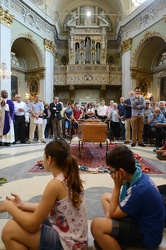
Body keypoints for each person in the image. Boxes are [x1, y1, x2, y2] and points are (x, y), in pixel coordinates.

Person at [0, 140, 88, 249]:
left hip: (69, 244)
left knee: (9, 231)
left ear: (49, 159)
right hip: (75, 237)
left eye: (43, 156)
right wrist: (22, 205)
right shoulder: (69, 175)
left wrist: (8, 207)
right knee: (24, 214)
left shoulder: (55, 184)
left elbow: (32, 226)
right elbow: (51, 207)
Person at [91, 145, 165, 250]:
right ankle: (111, 233)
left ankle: (111, 234)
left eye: (111, 171)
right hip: (140, 220)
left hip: (147, 234)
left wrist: (117, 186)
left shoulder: (138, 190)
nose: (111, 174)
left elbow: (113, 214)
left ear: (121, 172)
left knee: (96, 226)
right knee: (105, 197)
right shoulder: (136, 175)